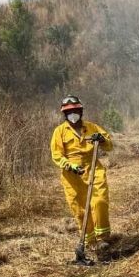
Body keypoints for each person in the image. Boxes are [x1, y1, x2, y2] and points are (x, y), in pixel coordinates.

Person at [50, 96, 113, 250]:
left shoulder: (92, 127)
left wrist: (102, 139)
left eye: (75, 110)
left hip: (93, 168)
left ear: (81, 111)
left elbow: (109, 146)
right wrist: (69, 165)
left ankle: (102, 239)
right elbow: (57, 154)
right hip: (72, 174)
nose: (73, 114)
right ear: (65, 114)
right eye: (69, 112)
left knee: (99, 201)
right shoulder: (59, 132)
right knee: (80, 209)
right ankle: (89, 242)